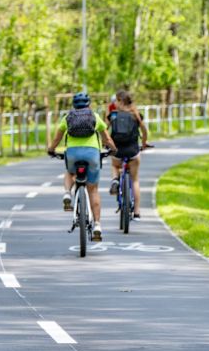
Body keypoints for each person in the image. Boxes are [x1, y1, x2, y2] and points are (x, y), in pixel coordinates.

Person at [47, 92, 117, 241]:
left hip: (73, 154)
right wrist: (113, 149)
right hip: (92, 155)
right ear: (88, 104)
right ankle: (97, 224)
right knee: (93, 190)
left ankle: (67, 193)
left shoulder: (67, 118)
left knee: (70, 173)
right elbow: (107, 138)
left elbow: (57, 138)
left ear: (74, 105)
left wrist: (51, 149)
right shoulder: (95, 117)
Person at [106, 90, 149, 220]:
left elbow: (105, 131)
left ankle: (115, 180)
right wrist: (144, 142)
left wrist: (107, 144)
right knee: (135, 180)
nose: (115, 103)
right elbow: (144, 130)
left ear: (120, 101)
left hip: (117, 151)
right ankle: (136, 212)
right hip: (132, 151)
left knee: (114, 165)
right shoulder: (136, 115)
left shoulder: (113, 115)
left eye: (116, 101)